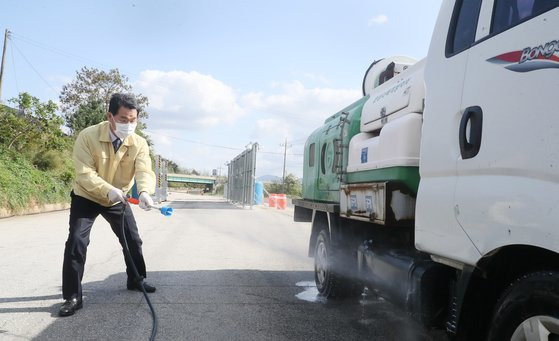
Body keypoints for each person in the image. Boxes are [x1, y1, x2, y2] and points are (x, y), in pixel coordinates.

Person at [59, 93, 156, 317]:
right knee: (76, 241)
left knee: (132, 240)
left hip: (118, 198)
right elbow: (84, 174)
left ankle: (136, 279)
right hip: (87, 196)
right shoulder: (88, 136)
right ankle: (73, 296)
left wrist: (144, 192)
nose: (129, 125)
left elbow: (144, 170)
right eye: (123, 119)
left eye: (133, 120)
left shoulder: (139, 143)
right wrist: (107, 190)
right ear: (110, 116)